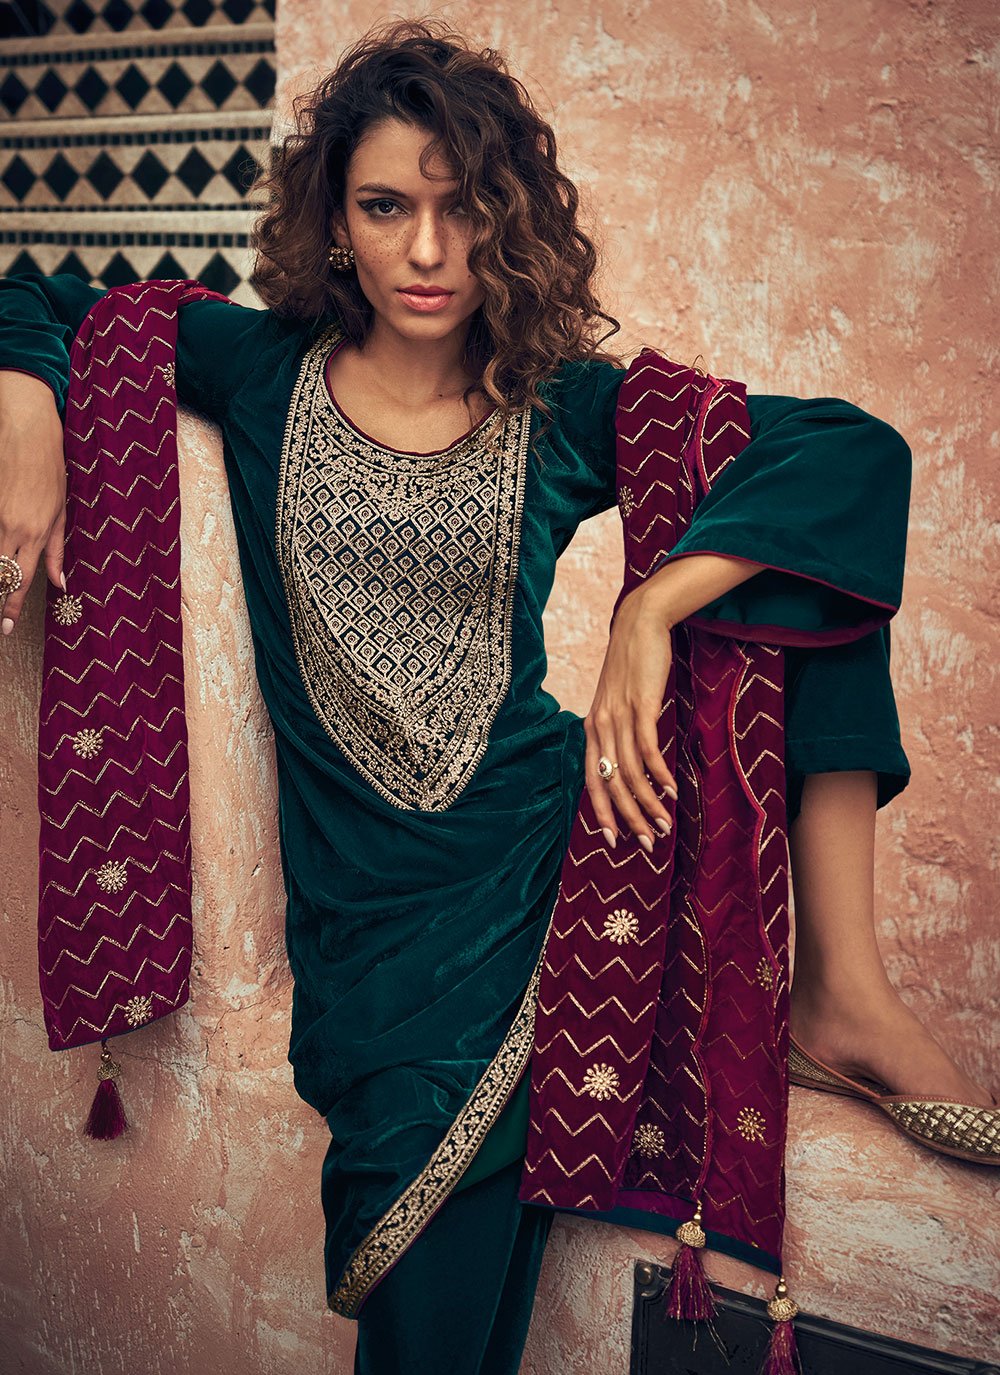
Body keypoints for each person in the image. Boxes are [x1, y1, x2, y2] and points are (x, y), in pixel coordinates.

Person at [0, 18, 995, 1374]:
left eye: (463, 207)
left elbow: (846, 452)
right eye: (385, 207)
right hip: (381, 954)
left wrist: (653, 606)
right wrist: (26, 408)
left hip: (575, 862)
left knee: (798, 568)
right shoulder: (259, 369)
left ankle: (843, 991)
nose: (428, 250)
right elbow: (41, 298)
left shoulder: (556, 405)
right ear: (333, 221)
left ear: (508, 218)